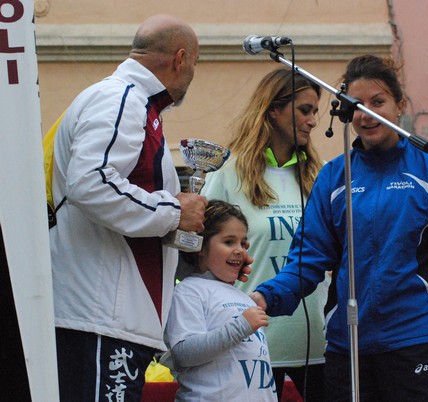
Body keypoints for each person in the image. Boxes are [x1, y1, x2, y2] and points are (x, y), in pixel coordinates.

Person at [250, 54, 428, 402]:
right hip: (347, 343)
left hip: (417, 338)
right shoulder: (335, 176)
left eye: (378, 102)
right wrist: (266, 295)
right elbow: (307, 259)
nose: (367, 114)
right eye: (356, 105)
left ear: (399, 105)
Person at [48, 15, 251, 401]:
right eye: (195, 63)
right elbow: (90, 182)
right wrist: (175, 212)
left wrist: (200, 260)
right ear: (180, 58)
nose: (193, 72)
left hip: (114, 319)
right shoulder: (121, 98)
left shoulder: (134, 104)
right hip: (99, 318)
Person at [202, 68, 329, 400]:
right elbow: (204, 259)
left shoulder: (320, 177)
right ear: (273, 108)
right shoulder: (228, 174)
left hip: (318, 341)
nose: (314, 120)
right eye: (304, 110)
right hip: (251, 340)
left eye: (316, 111)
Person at [165, 200, 277, 401]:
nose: (240, 250)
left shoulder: (245, 297)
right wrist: (241, 326)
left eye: (243, 243)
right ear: (200, 246)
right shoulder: (189, 290)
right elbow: (183, 353)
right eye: (229, 242)